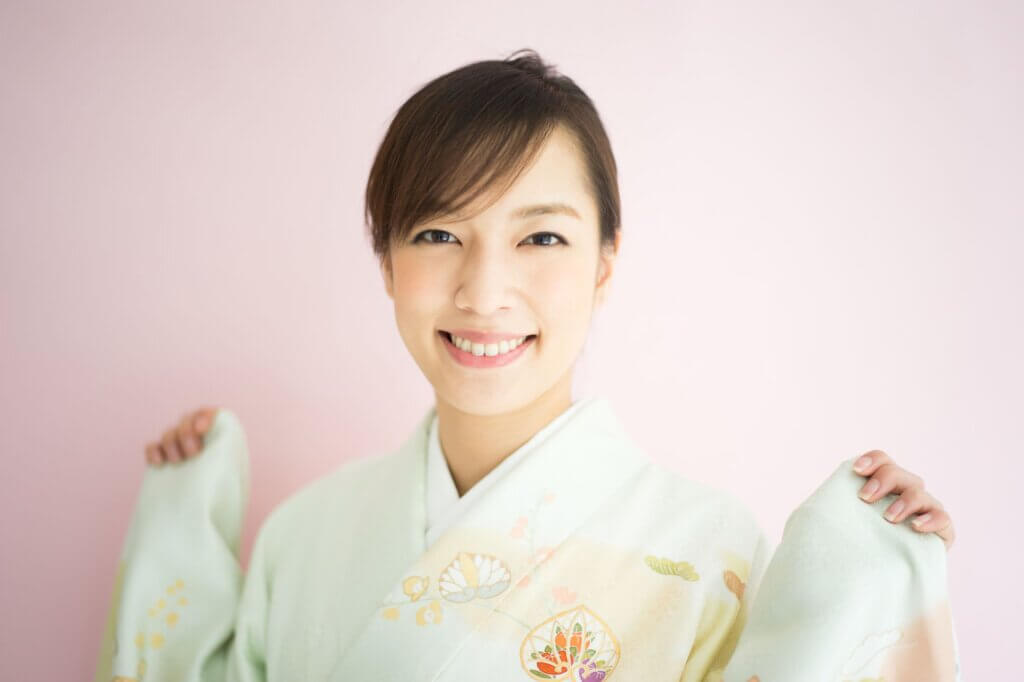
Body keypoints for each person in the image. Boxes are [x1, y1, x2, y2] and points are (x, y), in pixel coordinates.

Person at [95, 49, 960, 682]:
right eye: (438, 234)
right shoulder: (302, 539)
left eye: (541, 237)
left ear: (605, 264)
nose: (483, 291)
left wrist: (877, 567)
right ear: (386, 262)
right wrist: (181, 529)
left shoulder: (707, 551)